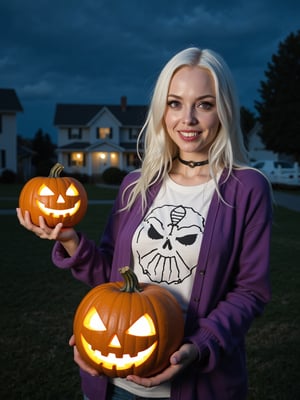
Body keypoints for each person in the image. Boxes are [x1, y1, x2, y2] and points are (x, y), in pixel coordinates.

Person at [17, 47, 272, 400]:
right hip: (115, 383)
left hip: (198, 385)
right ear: (161, 110)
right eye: (175, 103)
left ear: (224, 110)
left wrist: (199, 346)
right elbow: (113, 275)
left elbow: (251, 291)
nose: (188, 119)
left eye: (205, 104)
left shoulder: (247, 188)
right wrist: (72, 241)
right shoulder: (137, 184)